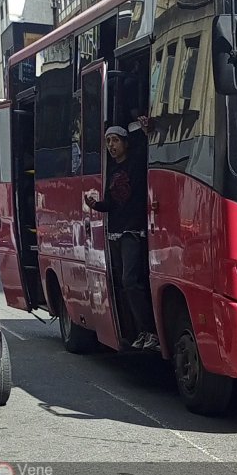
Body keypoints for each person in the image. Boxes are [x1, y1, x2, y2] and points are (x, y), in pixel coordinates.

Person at [84, 123, 159, 351]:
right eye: (108, 142)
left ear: (125, 143)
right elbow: (110, 203)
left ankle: (151, 330)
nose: (111, 146)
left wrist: (147, 133)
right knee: (122, 284)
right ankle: (140, 331)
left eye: (115, 141)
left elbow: (148, 153)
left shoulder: (134, 163)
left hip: (132, 231)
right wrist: (95, 204)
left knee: (130, 280)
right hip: (115, 232)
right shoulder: (112, 172)